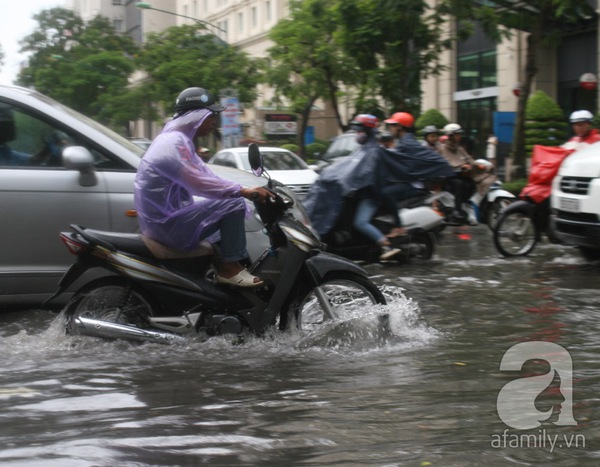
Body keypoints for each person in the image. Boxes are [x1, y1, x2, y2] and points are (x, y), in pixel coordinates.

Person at [134, 87, 272, 287]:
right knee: (232, 204)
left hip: (165, 222)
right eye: (210, 116)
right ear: (196, 117)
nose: (213, 122)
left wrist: (244, 187)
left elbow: (209, 177)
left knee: (223, 211)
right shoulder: (173, 143)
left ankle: (217, 272)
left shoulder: (177, 140)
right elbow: (198, 182)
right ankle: (230, 269)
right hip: (166, 226)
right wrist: (242, 191)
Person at [439, 122, 477, 223]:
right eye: (457, 134)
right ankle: (457, 209)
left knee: (471, 184)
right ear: (450, 136)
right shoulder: (443, 148)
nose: (459, 136)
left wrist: (476, 164)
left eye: (459, 134)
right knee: (460, 184)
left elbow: (468, 158)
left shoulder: (459, 148)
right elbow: (448, 162)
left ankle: (465, 204)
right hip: (448, 176)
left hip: (461, 174)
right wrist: (461, 165)